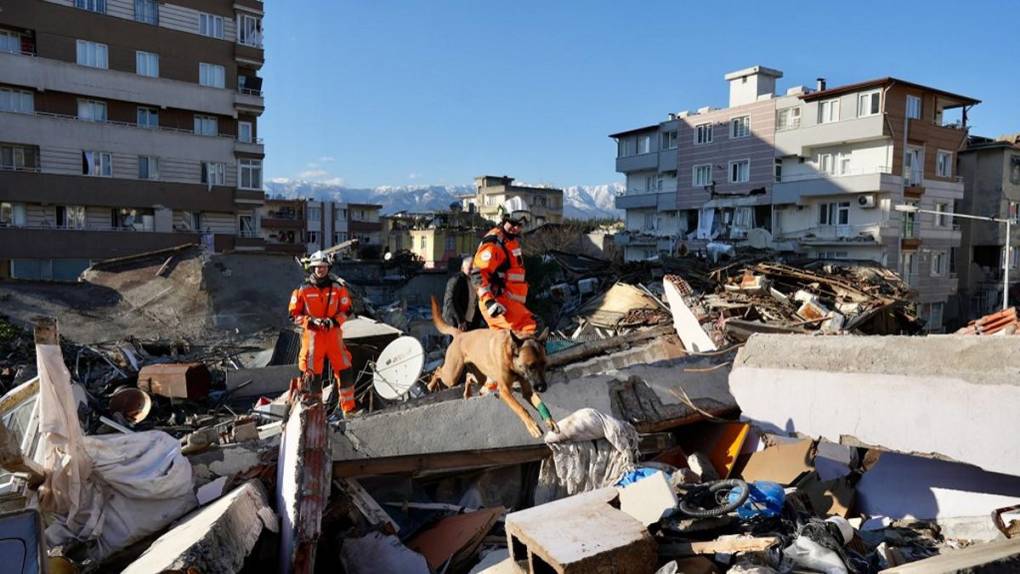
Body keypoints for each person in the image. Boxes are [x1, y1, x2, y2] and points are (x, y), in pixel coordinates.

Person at [288, 252, 356, 415]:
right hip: (312, 338)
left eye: (323, 267)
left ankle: (349, 410)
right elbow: (293, 315)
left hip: (333, 336)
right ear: (312, 268)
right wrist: (310, 321)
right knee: (312, 377)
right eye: (317, 267)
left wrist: (334, 321)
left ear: (328, 268)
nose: (320, 270)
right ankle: (315, 413)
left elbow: (347, 310)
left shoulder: (338, 289)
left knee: (345, 370)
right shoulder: (302, 290)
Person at [470, 205, 537, 333]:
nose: (516, 228)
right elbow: (478, 274)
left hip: (508, 304)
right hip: (497, 303)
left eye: (520, 224)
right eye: (513, 223)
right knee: (531, 328)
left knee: (506, 345)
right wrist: (489, 302)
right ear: (503, 219)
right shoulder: (494, 243)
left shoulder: (510, 242)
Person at [442, 256, 485, 331]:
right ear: (462, 268)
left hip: (470, 324)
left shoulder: (475, 281)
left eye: (474, 268)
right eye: (470, 268)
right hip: (455, 324)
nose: (472, 271)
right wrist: (460, 320)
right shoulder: (457, 280)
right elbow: (450, 301)